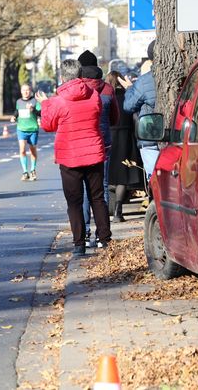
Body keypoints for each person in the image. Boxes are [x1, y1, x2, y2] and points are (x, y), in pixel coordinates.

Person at [36, 59, 112, 255]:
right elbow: (96, 115)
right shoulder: (94, 95)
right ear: (79, 75)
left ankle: (79, 243)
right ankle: (104, 239)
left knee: (74, 202)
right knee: (97, 198)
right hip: (94, 152)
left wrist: (44, 104)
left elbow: (47, 125)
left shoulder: (57, 101)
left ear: (63, 77)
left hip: (69, 156)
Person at [77, 50, 119, 247]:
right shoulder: (108, 89)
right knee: (100, 188)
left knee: (83, 190)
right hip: (103, 143)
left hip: (80, 143)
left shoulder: (75, 88)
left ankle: (84, 233)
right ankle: (103, 236)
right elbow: (115, 118)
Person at [106, 70, 143, 222]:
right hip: (126, 137)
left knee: (109, 175)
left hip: (110, 137)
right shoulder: (128, 97)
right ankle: (118, 211)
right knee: (123, 176)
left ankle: (108, 206)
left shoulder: (107, 98)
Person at [119, 40, 158, 181]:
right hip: (179, 135)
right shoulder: (182, 74)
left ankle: (155, 201)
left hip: (151, 136)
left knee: (154, 178)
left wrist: (129, 88)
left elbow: (128, 105)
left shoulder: (143, 81)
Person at [10, 83, 41, 181]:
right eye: (24, 90)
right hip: (21, 129)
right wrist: (14, 117)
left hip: (32, 129)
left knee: (32, 150)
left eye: (27, 90)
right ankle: (25, 172)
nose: (26, 92)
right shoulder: (19, 101)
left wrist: (33, 110)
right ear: (21, 91)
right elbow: (17, 111)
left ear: (30, 91)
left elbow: (40, 113)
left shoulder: (35, 101)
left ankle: (32, 170)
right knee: (22, 150)